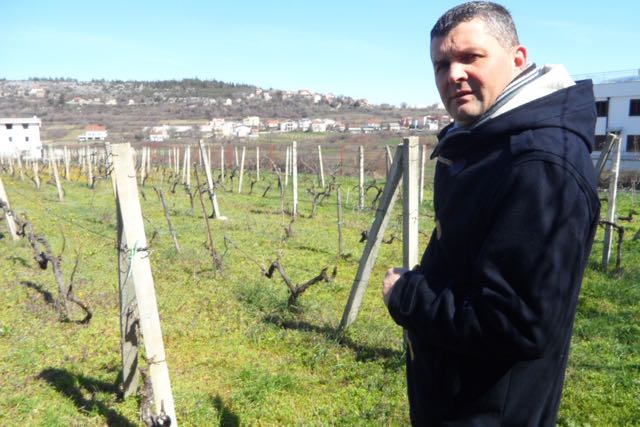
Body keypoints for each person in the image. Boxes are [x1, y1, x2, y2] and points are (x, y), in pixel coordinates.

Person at [382, 2, 600, 425]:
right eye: (441, 64)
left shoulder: (539, 166)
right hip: (457, 396)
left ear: (518, 59)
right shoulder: (484, 142)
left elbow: (516, 322)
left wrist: (406, 296)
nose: (453, 75)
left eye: (470, 57)